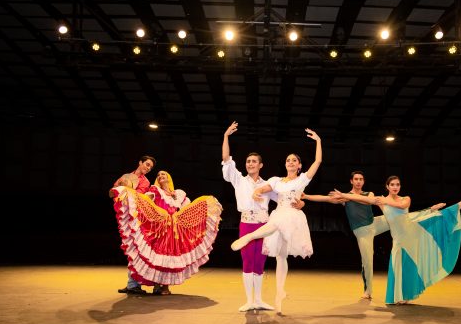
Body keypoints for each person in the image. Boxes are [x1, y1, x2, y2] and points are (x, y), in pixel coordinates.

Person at [331, 177, 461, 305]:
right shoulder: (381, 201)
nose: (395, 187)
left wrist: (428, 209)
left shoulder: (405, 198)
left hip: (411, 232)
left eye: (397, 184)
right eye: (392, 184)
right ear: (387, 186)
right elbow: (365, 200)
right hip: (399, 238)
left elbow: (402, 207)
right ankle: (402, 296)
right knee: (401, 266)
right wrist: (344, 195)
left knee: (438, 217)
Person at [230, 129, 323, 314]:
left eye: (294, 160)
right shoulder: (276, 181)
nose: (290, 162)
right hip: (279, 212)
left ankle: (249, 237)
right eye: (288, 160)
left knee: (277, 233)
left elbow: (318, 162)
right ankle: (279, 294)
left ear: (299, 165)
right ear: (285, 164)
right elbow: (264, 188)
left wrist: (318, 141)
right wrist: (257, 192)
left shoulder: (302, 180)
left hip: (291, 216)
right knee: (280, 255)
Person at [110, 170, 223, 295]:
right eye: (158, 175)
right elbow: (145, 200)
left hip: (173, 229)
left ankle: (162, 287)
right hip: (158, 227)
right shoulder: (155, 190)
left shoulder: (179, 194)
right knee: (150, 255)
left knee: (167, 258)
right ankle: (139, 285)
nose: (160, 176)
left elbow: (186, 209)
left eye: (163, 174)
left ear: (169, 177)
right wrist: (131, 194)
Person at [301, 171, 390, 300]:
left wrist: (346, 196)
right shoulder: (344, 198)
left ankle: (418, 219)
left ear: (363, 181)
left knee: (396, 219)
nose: (358, 181)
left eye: (361, 179)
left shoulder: (368, 194)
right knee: (367, 261)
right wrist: (306, 196)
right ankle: (368, 290)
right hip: (363, 232)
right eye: (356, 179)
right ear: (351, 181)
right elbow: (325, 198)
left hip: (375, 223)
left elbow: (370, 201)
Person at [110, 155, 156, 295]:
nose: (148, 168)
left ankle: (134, 284)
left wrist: (127, 189)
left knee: (135, 249)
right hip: (124, 215)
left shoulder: (145, 182)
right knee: (131, 250)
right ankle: (132, 284)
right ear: (140, 162)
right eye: (147, 164)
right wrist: (120, 187)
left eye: (150, 167)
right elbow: (113, 192)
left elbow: (137, 198)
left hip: (136, 218)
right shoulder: (126, 176)